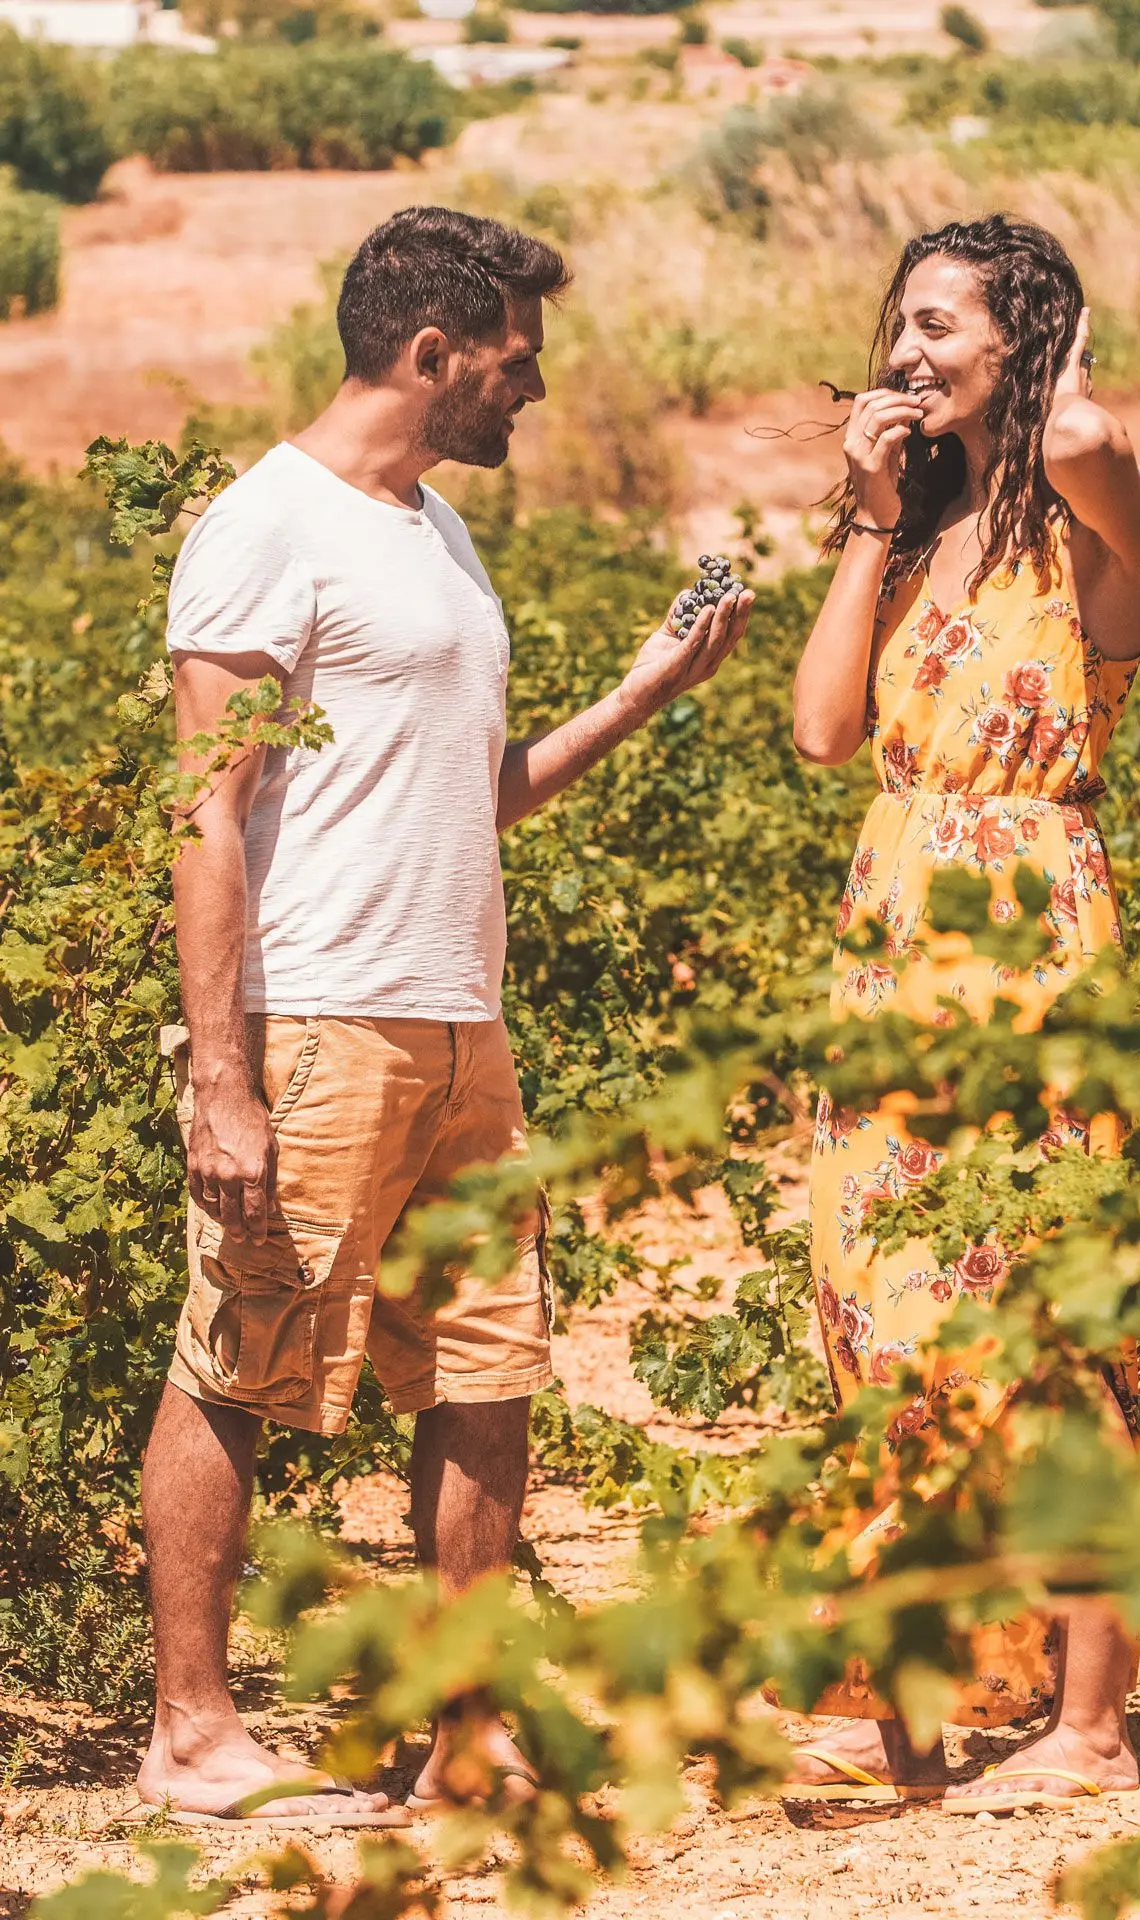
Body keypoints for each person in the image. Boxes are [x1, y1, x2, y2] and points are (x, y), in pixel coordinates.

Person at [137, 205, 755, 1828]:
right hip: (318, 1017)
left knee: (488, 1370)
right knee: (239, 1363)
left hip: (459, 1018)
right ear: (433, 352)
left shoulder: (436, 532)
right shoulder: (267, 526)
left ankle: (466, 1729)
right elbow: (207, 811)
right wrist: (222, 1077)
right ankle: (191, 1730)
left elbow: (477, 800)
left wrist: (646, 689)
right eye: (516, 360)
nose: (532, 389)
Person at [785, 214, 1140, 1819]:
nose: (905, 352)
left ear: (1028, 340)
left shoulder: (1099, 533)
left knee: (1047, 1319)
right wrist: (874, 520)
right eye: (899, 323)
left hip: (1033, 946)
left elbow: (1096, 452)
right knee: (879, 1311)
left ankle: (1090, 1725)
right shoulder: (918, 535)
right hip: (889, 945)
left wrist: (1058, 389)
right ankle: (900, 1700)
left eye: (942, 325)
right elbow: (824, 732)